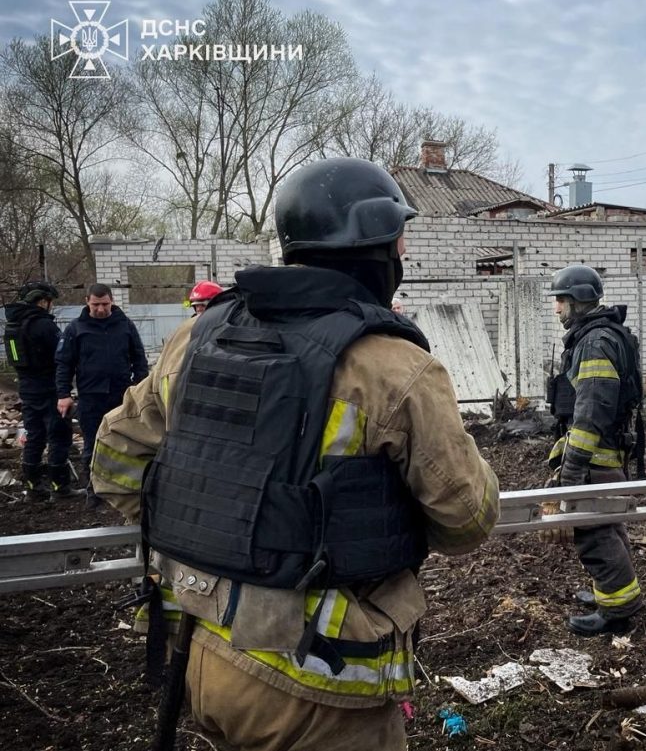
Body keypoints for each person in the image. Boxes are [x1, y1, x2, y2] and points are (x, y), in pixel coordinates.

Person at [91, 157, 500, 751]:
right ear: (376, 248)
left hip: (198, 650)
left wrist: (205, 530)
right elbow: (466, 521)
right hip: (316, 681)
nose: (403, 253)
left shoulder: (198, 336)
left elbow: (114, 460)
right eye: (399, 240)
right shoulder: (395, 367)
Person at [545, 264, 645, 636]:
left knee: (595, 532)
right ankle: (613, 593)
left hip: (595, 456)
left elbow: (590, 414)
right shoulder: (599, 335)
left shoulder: (595, 342)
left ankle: (617, 611)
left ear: (580, 300)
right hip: (607, 452)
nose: (557, 309)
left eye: (561, 300)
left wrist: (571, 472)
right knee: (608, 524)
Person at [55, 283, 148, 507]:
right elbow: (64, 364)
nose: (100, 309)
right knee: (92, 444)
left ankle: (123, 489)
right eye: (96, 304)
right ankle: (94, 490)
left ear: (112, 301)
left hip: (121, 395)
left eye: (105, 304)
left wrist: (139, 387)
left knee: (124, 443)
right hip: (91, 397)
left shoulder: (125, 325)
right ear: (87, 301)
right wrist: (63, 394)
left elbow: (139, 358)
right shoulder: (76, 329)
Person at [3, 281, 74, 502]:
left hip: (27, 389)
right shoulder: (44, 325)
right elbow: (63, 356)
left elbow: (15, 360)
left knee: (34, 437)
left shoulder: (13, 326)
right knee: (59, 436)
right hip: (50, 388)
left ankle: (34, 488)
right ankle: (60, 486)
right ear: (43, 301)